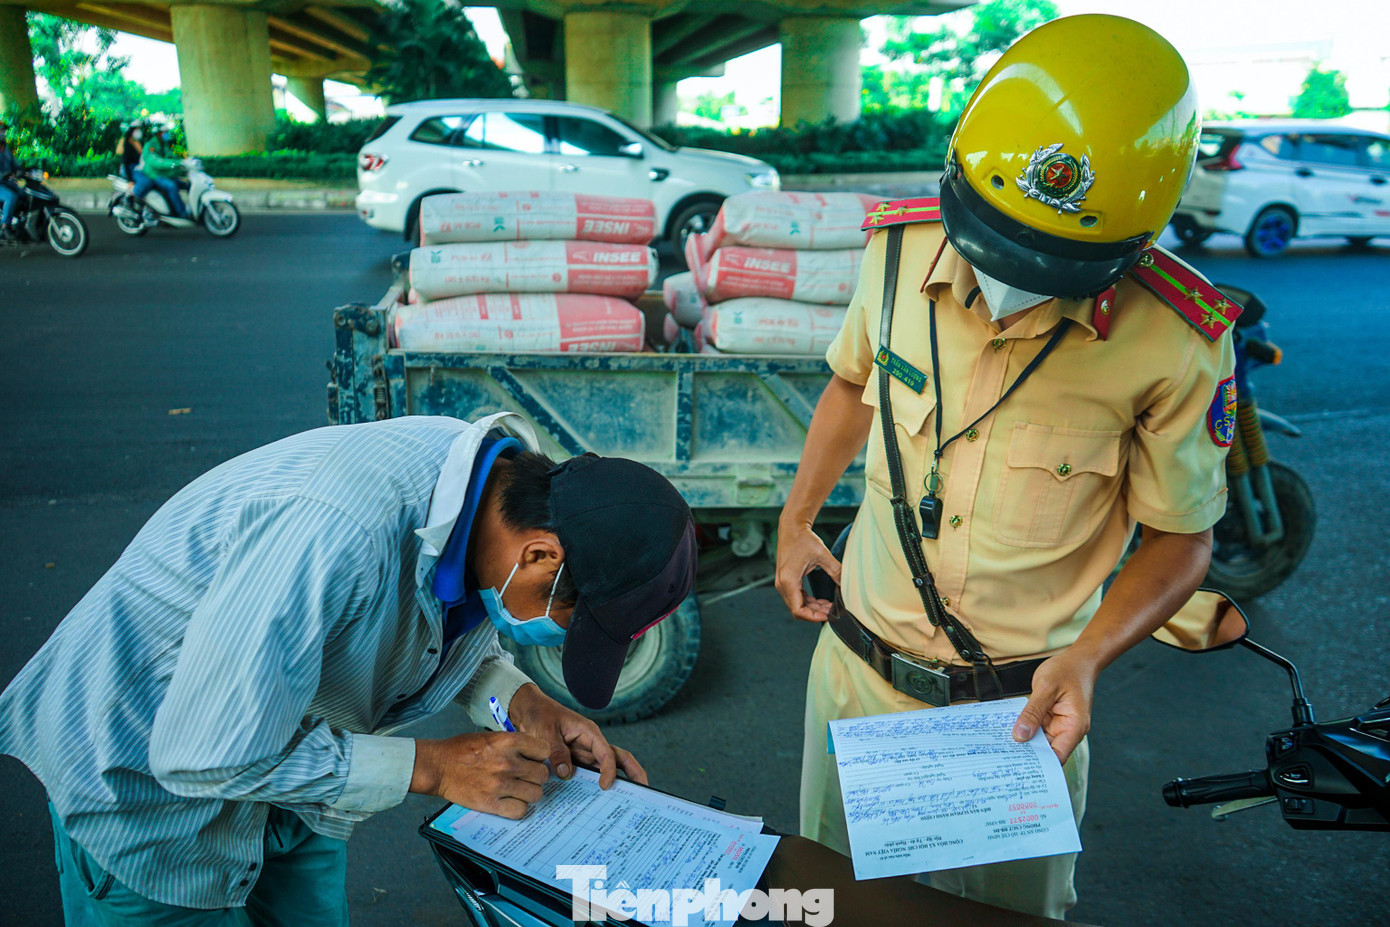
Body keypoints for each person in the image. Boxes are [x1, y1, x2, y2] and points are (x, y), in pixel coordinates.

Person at [775, 15, 1239, 920]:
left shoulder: (1177, 342)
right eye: (987, 243)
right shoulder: (900, 249)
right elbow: (848, 385)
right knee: (835, 907)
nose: (1005, 286)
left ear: (1132, 245)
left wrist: (1092, 656)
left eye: (1052, 266)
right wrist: (796, 521)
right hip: (856, 685)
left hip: (1021, 718)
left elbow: (1184, 540)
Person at [0, 412, 697, 925]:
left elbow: (439, 620)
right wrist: (434, 766)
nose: (553, 634)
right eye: (570, 623)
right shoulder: (337, 531)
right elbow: (201, 754)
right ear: (542, 555)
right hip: (151, 791)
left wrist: (519, 701)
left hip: (298, 774)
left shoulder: (498, 500)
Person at [133, 123, 191, 220]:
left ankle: (188, 207)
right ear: (158, 133)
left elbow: (171, 156)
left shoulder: (164, 144)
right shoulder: (150, 146)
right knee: (172, 186)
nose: (167, 134)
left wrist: (185, 161)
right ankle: (181, 213)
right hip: (155, 174)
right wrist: (177, 163)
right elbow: (158, 163)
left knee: (186, 184)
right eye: (165, 132)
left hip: (165, 173)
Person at [0, 120, 22, 242]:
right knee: (11, 197)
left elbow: (16, 166)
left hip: (8, 183)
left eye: (3, 130)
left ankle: (19, 222)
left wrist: (24, 171)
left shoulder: (6, 150)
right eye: (0, 130)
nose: (2, 133)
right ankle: (5, 226)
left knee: (25, 195)